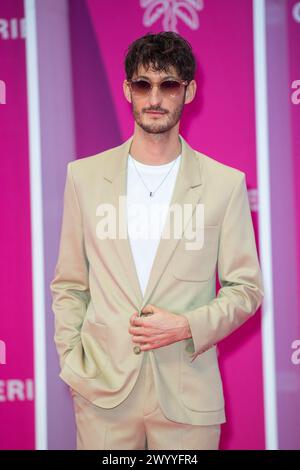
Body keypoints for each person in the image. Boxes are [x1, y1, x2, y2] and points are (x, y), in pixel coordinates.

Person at [50, 31, 264, 450]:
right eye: (144, 84)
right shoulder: (84, 178)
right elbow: (70, 285)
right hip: (103, 394)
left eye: (168, 85)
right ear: (128, 89)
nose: (155, 98)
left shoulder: (225, 184)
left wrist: (187, 325)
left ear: (188, 90)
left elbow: (246, 290)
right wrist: (73, 364)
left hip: (187, 395)